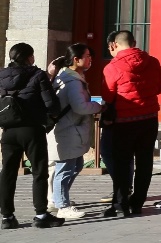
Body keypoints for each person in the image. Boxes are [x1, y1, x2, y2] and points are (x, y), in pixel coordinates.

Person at [102, 30, 161, 218]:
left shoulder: (112, 67)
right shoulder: (153, 62)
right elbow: (160, 88)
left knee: (122, 162)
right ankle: (138, 202)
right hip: (149, 119)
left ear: (114, 45)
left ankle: (121, 204)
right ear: (134, 42)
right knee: (145, 162)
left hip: (124, 121)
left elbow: (107, 96)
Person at [0, 43, 62, 229]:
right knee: (39, 171)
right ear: (29, 57)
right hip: (32, 129)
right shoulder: (37, 74)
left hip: (8, 130)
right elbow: (51, 104)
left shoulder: (1, 75)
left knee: (8, 172)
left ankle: (7, 217)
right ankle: (41, 214)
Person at [48, 45, 101, 221]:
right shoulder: (73, 82)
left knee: (76, 165)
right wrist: (99, 106)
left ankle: (59, 199)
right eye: (87, 56)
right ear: (76, 60)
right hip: (69, 129)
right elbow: (80, 106)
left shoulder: (67, 77)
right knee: (65, 168)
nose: (90, 59)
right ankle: (62, 205)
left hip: (70, 128)